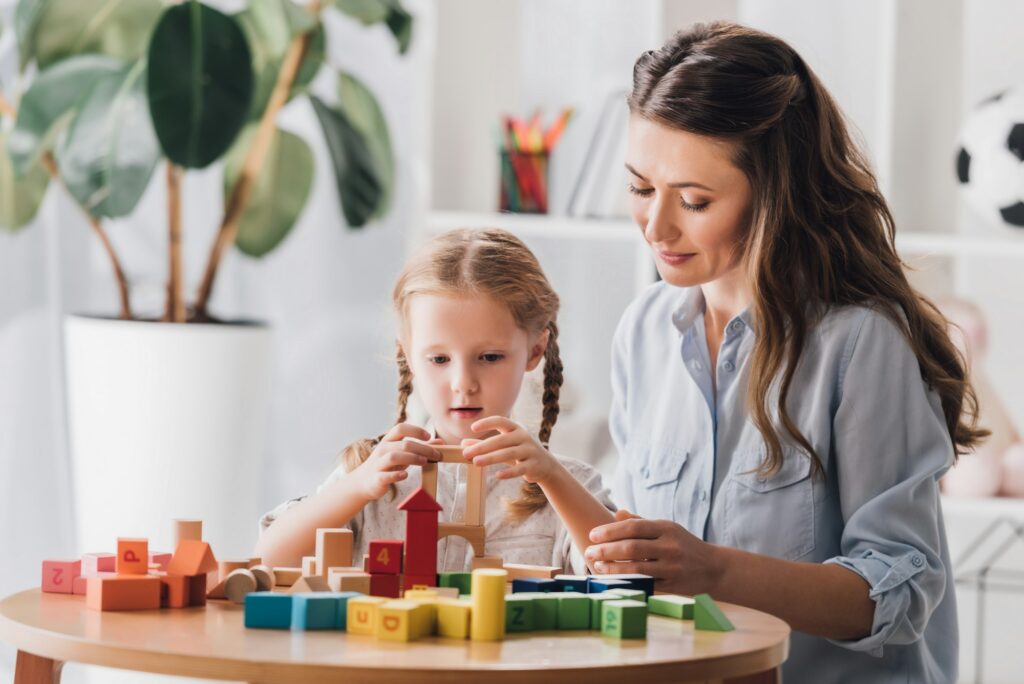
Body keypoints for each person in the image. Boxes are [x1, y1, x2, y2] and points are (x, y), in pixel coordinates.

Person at [584, 21, 985, 682]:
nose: (656, 226)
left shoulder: (858, 343)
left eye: (693, 199)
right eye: (639, 188)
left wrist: (713, 570)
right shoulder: (644, 330)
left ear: (774, 193)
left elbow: (900, 595)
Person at [255, 228, 615, 574]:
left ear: (535, 350)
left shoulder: (568, 484)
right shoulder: (371, 474)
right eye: (439, 360)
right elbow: (268, 561)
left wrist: (551, 476)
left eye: (489, 357)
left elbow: (621, 572)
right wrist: (359, 486)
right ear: (408, 355)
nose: (463, 383)